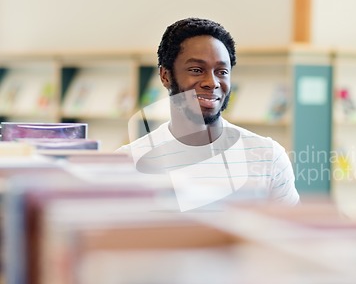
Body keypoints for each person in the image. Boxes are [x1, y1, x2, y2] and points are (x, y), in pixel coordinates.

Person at [117, 17, 299, 210]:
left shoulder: (268, 156)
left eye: (221, 71)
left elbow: (295, 235)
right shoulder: (129, 162)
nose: (212, 82)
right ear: (165, 76)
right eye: (196, 70)